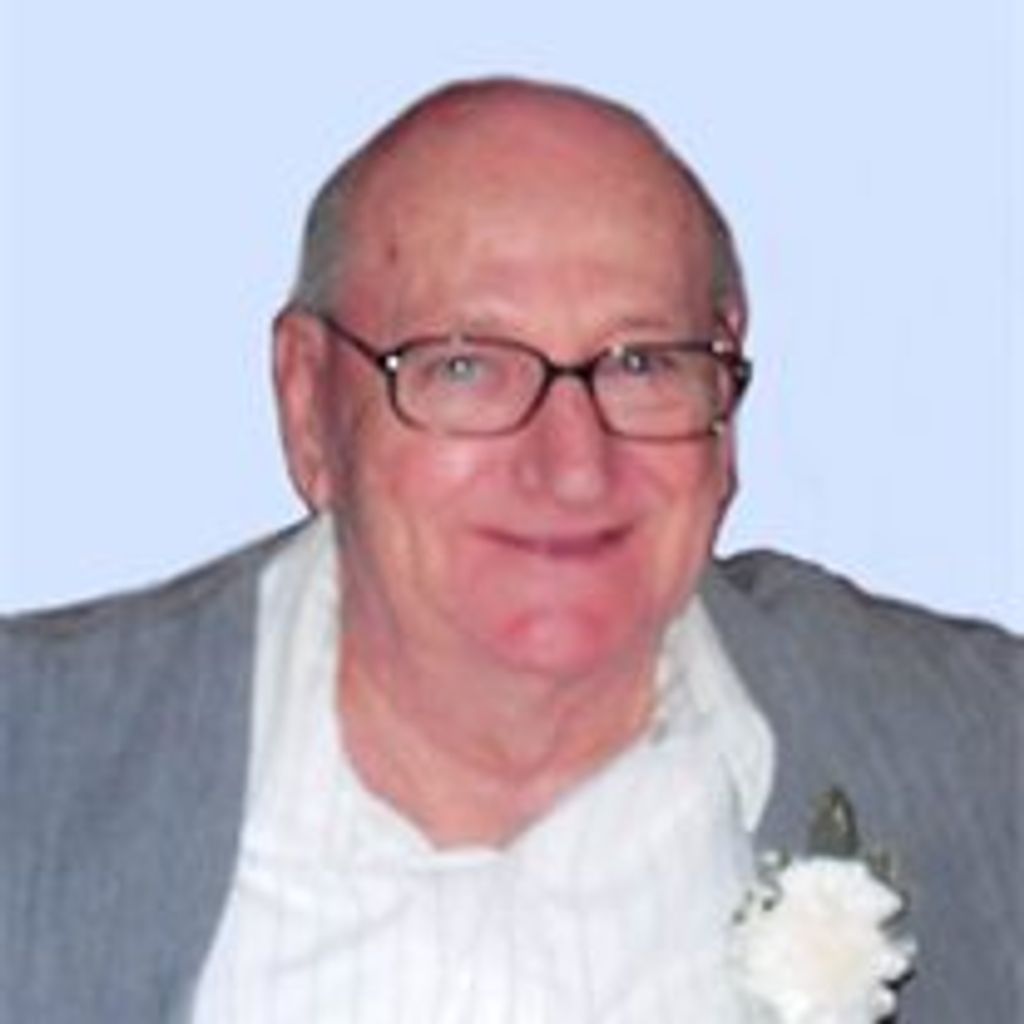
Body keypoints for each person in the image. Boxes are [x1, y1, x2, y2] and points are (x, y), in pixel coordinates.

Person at [1, 78, 1019, 1024]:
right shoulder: (32, 764)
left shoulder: (982, 753)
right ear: (308, 403)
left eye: (639, 362)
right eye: (464, 367)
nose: (572, 467)